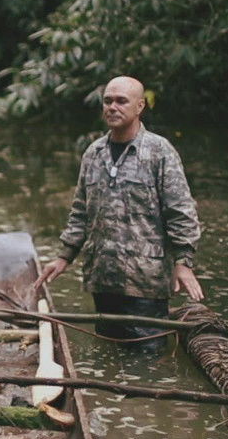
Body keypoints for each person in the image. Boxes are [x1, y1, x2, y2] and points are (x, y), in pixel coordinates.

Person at [34, 75, 202, 350]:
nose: (113, 107)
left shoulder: (159, 152)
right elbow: (81, 212)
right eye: (108, 101)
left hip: (145, 281)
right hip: (103, 277)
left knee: (147, 359)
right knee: (109, 352)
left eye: (121, 101)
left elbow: (181, 211)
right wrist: (64, 256)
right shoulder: (94, 153)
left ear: (140, 106)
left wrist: (184, 263)